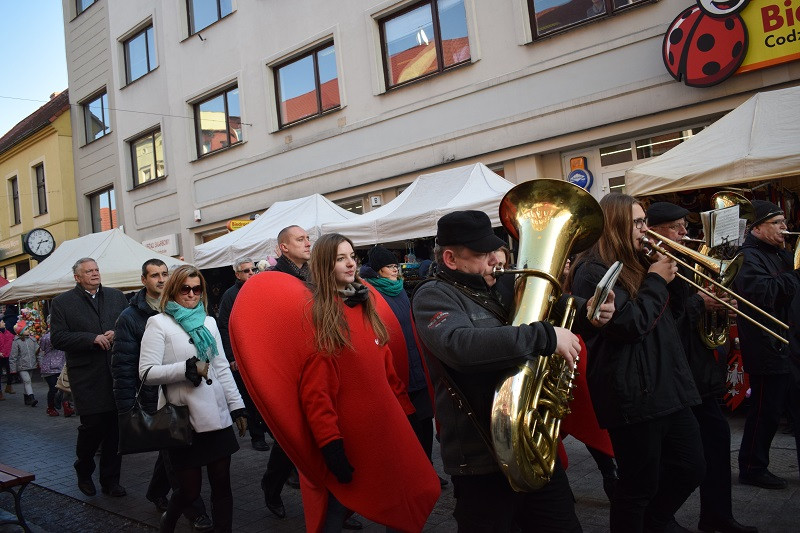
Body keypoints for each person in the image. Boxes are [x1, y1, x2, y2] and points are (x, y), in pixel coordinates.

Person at [412, 210, 615, 533]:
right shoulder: (433, 295)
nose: (495, 259)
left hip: (531, 442)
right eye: (481, 254)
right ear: (450, 258)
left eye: (494, 249)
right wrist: (546, 337)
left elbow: (551, 307)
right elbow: (460, 345)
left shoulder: (500, 284)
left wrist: (587, 310)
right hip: (479, 458)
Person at [230, 233, 441, 532]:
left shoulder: (364, 302)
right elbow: (316, 393)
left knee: (403, 501)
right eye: (340, 258)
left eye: (352, 256)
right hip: (344, 438)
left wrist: (404, 415)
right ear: (324, 266)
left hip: (381, 430)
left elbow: (386, 369)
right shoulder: (322, 315)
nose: (350, 263)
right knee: (334, 510)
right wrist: (331, 447)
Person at [566, 194, 705, 533]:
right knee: (636, 487)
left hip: (668, 384)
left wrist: (675, 275)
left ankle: (655, 521)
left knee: (692, 467)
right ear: (614, 225)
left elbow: (668, 315)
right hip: (631, 391)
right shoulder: (591, 270)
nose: (646, 230)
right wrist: (657, 279)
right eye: (639, 223)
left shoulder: (638, 261)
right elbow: (628, 325)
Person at [648, 201, 756, 533]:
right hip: (676, 378)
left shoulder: (686, 264)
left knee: (716, 440)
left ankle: (717, 515)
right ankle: (658, 517)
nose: (685, 233)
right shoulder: (654, 268)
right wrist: (700, 303)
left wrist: (720, 308)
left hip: (701, 373)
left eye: (685, 226)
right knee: (679, 457)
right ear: (658, 230)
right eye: (677, 227)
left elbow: (696, 313)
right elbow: (663, 323)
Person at [138, 264, 247, 533]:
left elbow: (220, 367)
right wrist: (184, 369)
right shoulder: (158, 323)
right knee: (189, 491)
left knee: (222, 484)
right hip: (183, 419)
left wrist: (237, 407)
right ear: (174, 290)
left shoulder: (209, 322)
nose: (191, 294)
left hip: (216, 416)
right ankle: (169, 522)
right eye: (185, 288)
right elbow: (146, 373)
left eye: (197, 288)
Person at [111, 259, 213, 532]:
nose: (161, 279)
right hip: (154, 394)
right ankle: (195, 510)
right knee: (177, 452)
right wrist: (125, 406)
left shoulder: (181, 309)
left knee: (172, 450)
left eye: (165, 274)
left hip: (186, 391)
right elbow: (123, 365)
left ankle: (157, 491)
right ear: (143, 280)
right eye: (154, 275)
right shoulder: (131, 317)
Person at [360, 245, 446, 487]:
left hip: (417, 364)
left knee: (425, 421)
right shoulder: (371, 295)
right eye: (390, 267)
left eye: (396, 265)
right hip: (398, 370)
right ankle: (414, 473)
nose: (395, 270)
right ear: (378, 271)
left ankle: (427, 469)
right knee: (409, 427)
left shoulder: (400, 290)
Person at [733, 200, 800, 490]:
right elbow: (764, 294)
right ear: (757, 227)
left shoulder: (779, 253)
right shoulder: (748, 256)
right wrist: (796, 273)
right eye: (777, 223)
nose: (785, 228)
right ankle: (752, 467)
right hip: (767, 346)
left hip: (789, 344)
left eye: (784, 222)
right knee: (765, 413)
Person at [51, 257, 129, 498]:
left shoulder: (117, 296)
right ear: (77, 277)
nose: (95, 274)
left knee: (116, 431)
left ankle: (110, 481)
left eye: (96, 270)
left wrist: (117, 332)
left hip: (116, 373)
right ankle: (83, 468)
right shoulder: (62, 302)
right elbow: (58, 338)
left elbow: (128, 326)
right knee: (92, 428)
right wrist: (91, 338)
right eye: (89, 271)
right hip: (87, 377)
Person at [216, 257, 270, 452]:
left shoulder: (259, 289)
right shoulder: (230, 296)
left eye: (253, 270)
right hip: (241, 354)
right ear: (237, 274)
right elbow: (223, 326)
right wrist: (231, 356)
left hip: (261, 353)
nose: (251, 273)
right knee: (249, 396)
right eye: (246, 271)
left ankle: (270, 431)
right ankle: (257, 436)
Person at [38, 317, 70, 417]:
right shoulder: (48, 337)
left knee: (64, 387)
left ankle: (65, 406)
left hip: (61, 364)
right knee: (55, 388)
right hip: (50, 367)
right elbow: (43, 348)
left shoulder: (52, 336)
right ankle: (51, 407)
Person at [9, 320, 39, 407]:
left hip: (31, 364)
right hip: (21, 365)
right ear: (21, 331)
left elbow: (37, 351)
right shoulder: (16, 342)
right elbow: (13, 356)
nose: (28, 330)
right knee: (27, 381)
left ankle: (26, 398)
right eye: (26, 329)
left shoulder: (32, 340)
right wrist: (13, 369)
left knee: (27, 382)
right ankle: (32, 398)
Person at [0, 319, 14, 399]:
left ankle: (9, 386)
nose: (4, 323)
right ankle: (0, 392)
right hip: (0, 356)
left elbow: (14, 338)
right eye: (2, 322)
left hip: (8, 355)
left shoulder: (7, 332)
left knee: (10, 372)